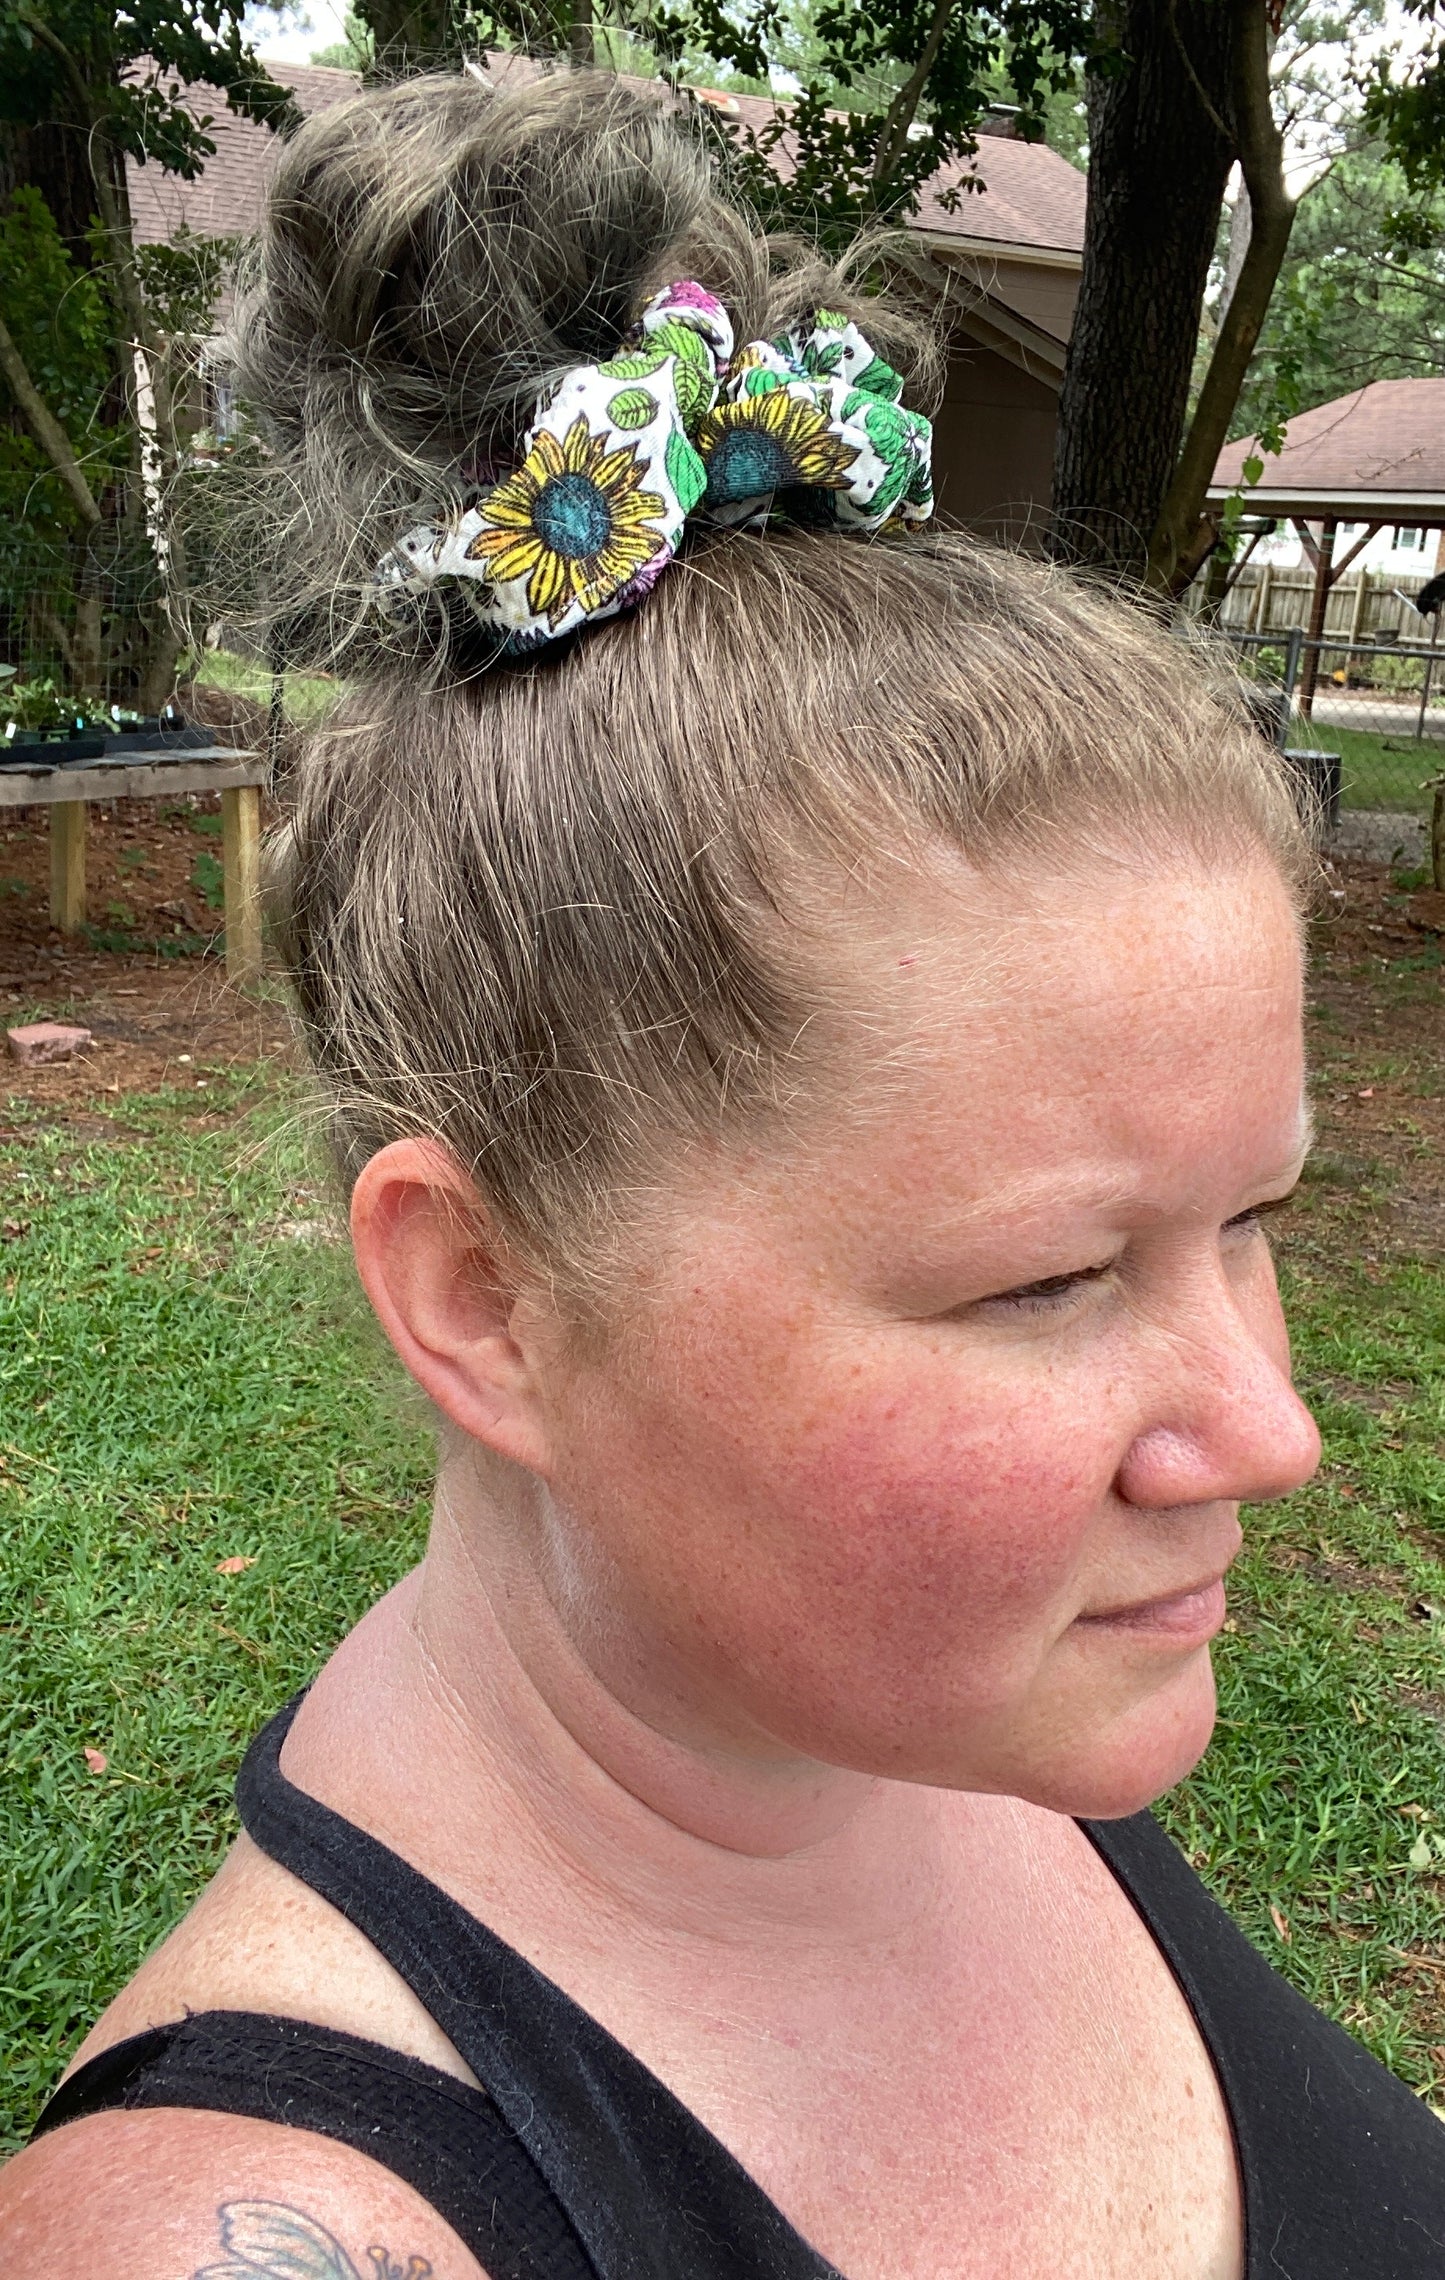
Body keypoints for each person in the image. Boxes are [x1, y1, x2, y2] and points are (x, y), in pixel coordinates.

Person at [4, 64, 1444, 2280]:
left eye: (1247, 1224)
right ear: (486, 1298)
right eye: (1048, 1283)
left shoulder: (888, 1705)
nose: (1274, 1429)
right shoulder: (254, 2228)